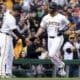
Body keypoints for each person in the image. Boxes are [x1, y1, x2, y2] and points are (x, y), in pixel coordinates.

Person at [35, 2, 70, 77]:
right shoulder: (45, 17)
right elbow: (42, 27)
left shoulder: (61, 17)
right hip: (49, 38)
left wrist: (62, 30)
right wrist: (36, 35)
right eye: (49, 7)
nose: (49, 9)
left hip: (58, 37)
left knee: (51, 54)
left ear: (55, 9)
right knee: (52, 58)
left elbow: (68, 25)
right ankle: (61, 70)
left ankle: (61, 65)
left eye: (50, 8)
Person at [0, 3, 26, 78]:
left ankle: (8, 72)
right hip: (5, 36)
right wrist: (22, 38)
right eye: (19, 12)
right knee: (4, 55)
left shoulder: (8, 13)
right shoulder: (10, 18)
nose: (19, 13)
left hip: (9, 36)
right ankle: (1, 73)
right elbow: (15, 31)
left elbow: (5, 10)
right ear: (16, 11)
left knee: (10, 55)